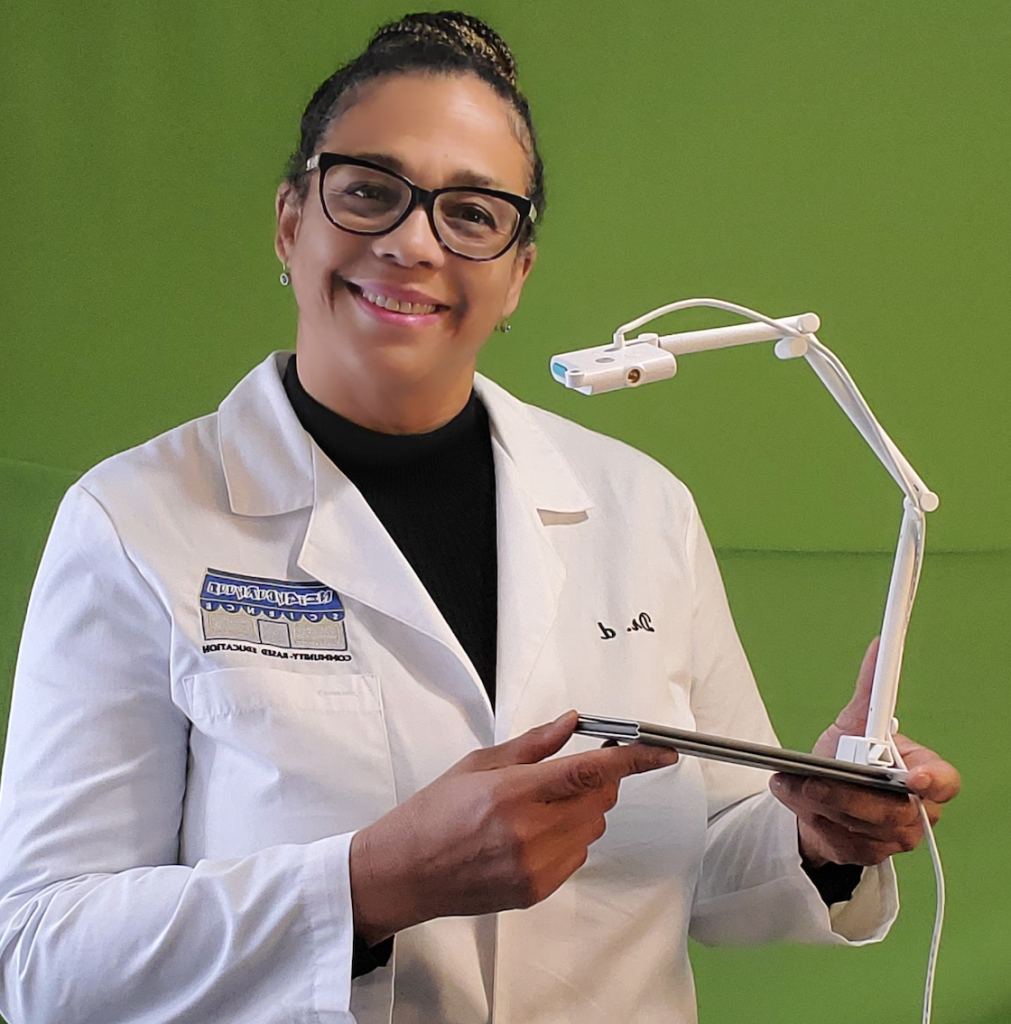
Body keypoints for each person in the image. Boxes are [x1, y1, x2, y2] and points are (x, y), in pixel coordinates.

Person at [0, 11, 959, 1024]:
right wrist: (372, 882)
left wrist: (819, 832)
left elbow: (710, 852)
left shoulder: (640, 507)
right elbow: (38, 956)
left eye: (470, 212)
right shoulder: (134, 518)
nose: (412, 241)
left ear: (516, 274)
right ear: (290, 222)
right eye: (367, 191)